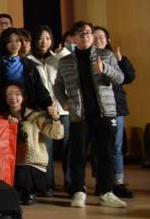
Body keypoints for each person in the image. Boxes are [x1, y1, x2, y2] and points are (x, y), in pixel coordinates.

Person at [52, 21, 127, 208]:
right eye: (80, 33)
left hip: (104, 112)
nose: (85, 36)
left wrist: (105, 69)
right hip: (80, 114)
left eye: (88, 33)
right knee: (77, 154)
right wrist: (64, 102)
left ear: (92, 36)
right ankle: (78, 190)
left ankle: (106, 192)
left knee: (105, 153)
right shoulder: (65, 61)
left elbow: (120, 78)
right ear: (74, 38)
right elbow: (57, 86)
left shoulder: (106, 55)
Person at [92, 26, 136, 199]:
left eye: (101, 37)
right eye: (95, 37)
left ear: (107, 39)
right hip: (97, 108)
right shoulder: (87, 57)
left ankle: (118, 182)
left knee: (117, 146)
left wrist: (121, 61)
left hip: (116, 107)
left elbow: (129, 77)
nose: (98, 40)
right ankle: (101, 181)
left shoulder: (114, 57)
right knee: (99, 147)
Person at [5, 82, 64, 205]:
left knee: (22, 174)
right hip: (12, 165)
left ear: (23, 97)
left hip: (34, 164)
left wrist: (55, 117)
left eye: (17, 94)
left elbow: (57, 134)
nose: (13, 97)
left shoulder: (35, 116)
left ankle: (26, 194)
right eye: (9, 94)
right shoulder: (2, 117)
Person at [29, 25, 70, 194]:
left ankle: (71, 184)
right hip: (43, 111)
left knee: (68, 148)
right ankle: (47, 185)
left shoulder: (58, 58)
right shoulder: (29, 60)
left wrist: (63, 53)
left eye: (47, 38)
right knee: (46, 150)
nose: (43, 42)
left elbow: (71, 75)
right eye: (40, 38)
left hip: (62, 109)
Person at [0, 28, 52, 112]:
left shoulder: (30, 65)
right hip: (5, 108)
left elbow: (40, 89)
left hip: (28, 108)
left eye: (17, 41)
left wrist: (49, 104)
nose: (14, 44)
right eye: (10, 41)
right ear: (4, 43)